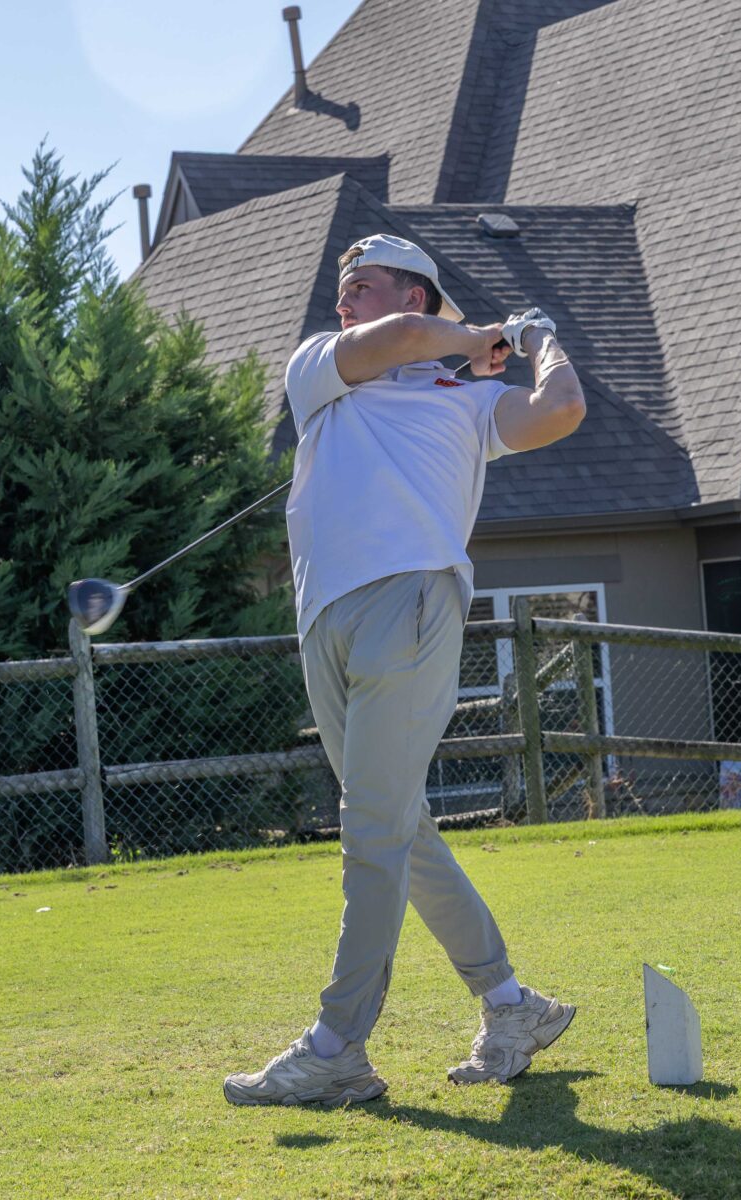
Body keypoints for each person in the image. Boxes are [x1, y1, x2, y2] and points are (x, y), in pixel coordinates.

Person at [224, 234, 586, 1107]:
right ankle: (512, 1004)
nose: (342, 299)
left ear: (414, 294)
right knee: (400, 829)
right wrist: (478, 335)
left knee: (372, 830)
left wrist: (537, 336)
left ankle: (337, 1045)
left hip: (411, 603)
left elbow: (562, 408)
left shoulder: (471, 402)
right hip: (324, 619)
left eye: (362, 285)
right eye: (343, 287)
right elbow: (397, 343)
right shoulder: (321, 367)